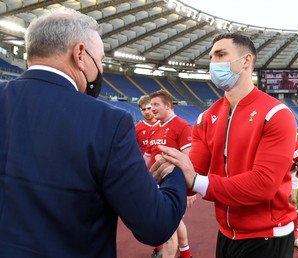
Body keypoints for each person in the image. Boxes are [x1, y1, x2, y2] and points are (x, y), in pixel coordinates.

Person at [0, 8, 187, 257]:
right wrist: (173, 174)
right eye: (99, 60)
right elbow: (155, 225)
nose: (100, 68)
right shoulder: (108, 122)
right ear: (80, 54)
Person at [158, 32, 297, 258]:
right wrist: (163, 175)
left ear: (246, 60)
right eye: (211, 57)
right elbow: (192, 174)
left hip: (268, 236)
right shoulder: (206, 117)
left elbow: (264, 184)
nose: (213, 63)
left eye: (221, 55)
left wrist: (195, 179)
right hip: (226, 233)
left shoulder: (276, 114)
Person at [144, 89, 194, 258]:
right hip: (155, 185)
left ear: (168, 105)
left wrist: (189, 190)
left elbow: (189, 159)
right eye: (151, 106)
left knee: (167, 227)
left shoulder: (182, 126)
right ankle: (186, 255)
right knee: (174, 223)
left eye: (156, 105)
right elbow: (147, 157)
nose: (152, 109)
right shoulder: (154, 129)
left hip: (173, 186)